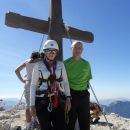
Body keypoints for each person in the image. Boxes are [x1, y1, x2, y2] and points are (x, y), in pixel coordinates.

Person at [30, 40, 71, 130]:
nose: (52, 53)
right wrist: (32, 105)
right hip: (42, 101)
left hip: (58, 100)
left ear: (56, 52)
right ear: (45, 51)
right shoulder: (38, 65)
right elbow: (33, 85)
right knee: (45, 127)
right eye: (49, 50)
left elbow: (65, 82)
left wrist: (68, 98)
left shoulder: (61, 65)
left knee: (61, 126)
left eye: (54, 50)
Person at [64, 41, 92, 130]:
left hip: (84, 95)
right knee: (70, 122)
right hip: (71, 95)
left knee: (85, 121)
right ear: (71, 49)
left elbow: (88, 79)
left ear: (82, 50)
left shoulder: (86, 64)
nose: (78, 50)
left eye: (80, 48)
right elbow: (63, 80)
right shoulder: (65, 63)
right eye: (75, 47)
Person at [15, 51, 40, 129]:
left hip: (28, 83)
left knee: (28, 105)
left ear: (31, 56)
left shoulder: (27, 61)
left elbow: (16, 70)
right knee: (38, 103)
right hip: (37, 84)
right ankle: (37, 122)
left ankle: (29, 125)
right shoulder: (40, 61)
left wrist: (23, 80)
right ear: (38, 56)